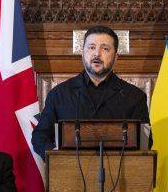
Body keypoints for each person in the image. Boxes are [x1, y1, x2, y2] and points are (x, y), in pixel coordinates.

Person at [31, 25, 150, 160]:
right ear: (82, 54)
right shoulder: (59, 94)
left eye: (105, 48)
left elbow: (145, 141)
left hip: (121, 171)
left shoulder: (134, 96)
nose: (97, 54)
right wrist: (56, 157)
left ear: (116, 57)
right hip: (70, 170)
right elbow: (40, 136)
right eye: (91, 47)